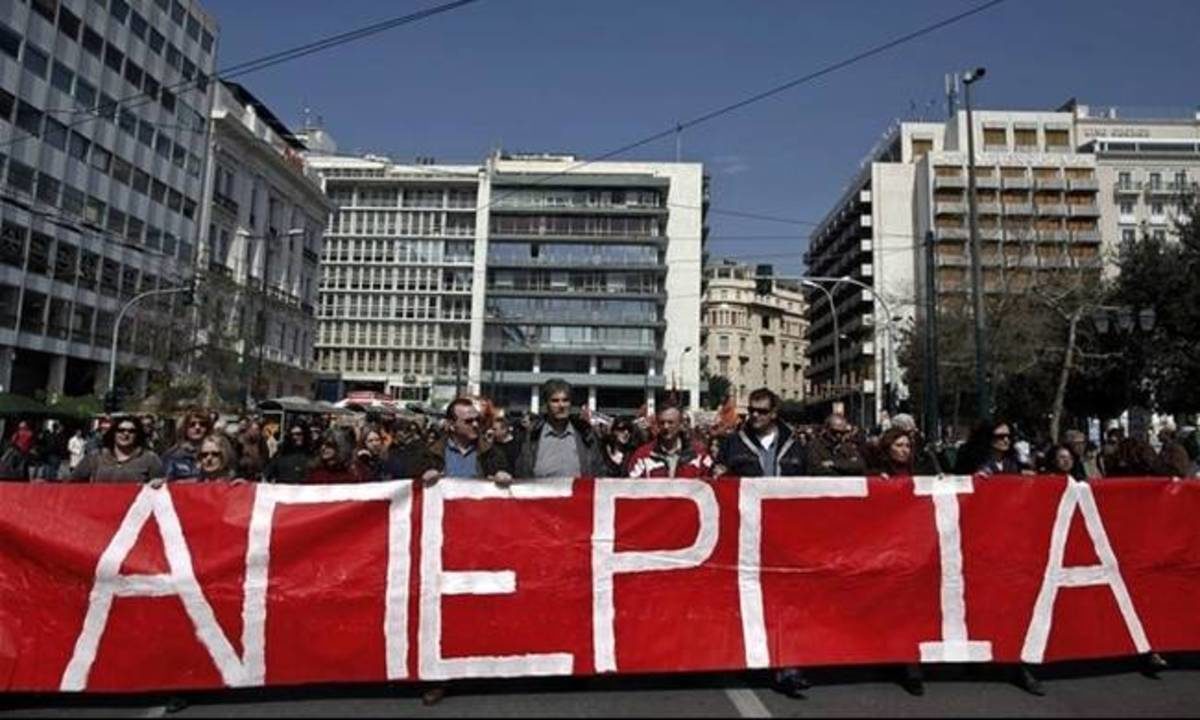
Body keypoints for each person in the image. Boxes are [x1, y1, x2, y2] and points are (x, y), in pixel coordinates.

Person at [514, 379, 605, 479]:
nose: (561, 405)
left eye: (565, 400)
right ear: (546, 404)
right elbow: (520, 473)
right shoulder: (531, 436)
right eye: (555, 401)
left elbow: (599, 472)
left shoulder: (585, 435)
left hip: (578, 488)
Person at [714, 388, 808, 478]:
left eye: (762, 411)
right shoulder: (732, 443)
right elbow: (718, 474)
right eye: (751, 410)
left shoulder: (794, 445)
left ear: (773, 413)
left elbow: (808, 478)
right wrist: (720, 472)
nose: (755, 415)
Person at [413, 398, 511, 484]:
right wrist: (423, 477)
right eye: (468, 421)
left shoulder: (492, 454)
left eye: (477, 419)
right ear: (451, 425)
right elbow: (412, 487)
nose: (475, 424)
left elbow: (508, 482)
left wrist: (503, 476)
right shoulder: (430, 454)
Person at [626, 404, 713, 479]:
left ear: (680, 424)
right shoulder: (642, 455)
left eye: (670, 422)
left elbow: (710, 484)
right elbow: (632, 486)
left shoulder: (699, 454)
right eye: (662, 423)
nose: (666, 427)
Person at [71, 417, 162, 484]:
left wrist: (158, 483)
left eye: (131, 431)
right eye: (121, 430)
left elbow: (163, 486)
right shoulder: (96, 457)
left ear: (137, 434)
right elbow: (73, 483)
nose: (126, 434)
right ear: (113, 433)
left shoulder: (150, 459)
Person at [954, 419, 1026, 476]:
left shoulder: (1012, 462)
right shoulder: (975, 461)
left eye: (1009, 436)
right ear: (988, 438)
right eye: (1000, 437)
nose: (1006, 440)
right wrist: (975, 477)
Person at [161, 410, 213, 481]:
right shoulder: (172, 455)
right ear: (185, 428)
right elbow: (165, 481)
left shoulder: (217, 452)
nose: (197, 427)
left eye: (202, 424)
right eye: (192, 424)